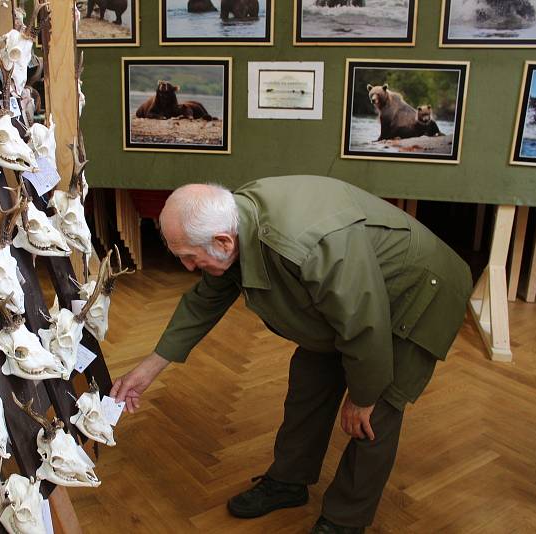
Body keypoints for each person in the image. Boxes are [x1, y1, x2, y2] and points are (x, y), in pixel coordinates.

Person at [111, 175, 473, 534]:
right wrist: (148, 370)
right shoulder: (234, 220)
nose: (188, 269)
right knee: (308, 382)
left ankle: (346, 518)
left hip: (417, 291)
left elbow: (365, 324)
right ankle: (288, 481)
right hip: (351, 298)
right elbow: (204, 301)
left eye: (190, 258)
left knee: (375, 414)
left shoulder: (307, 245)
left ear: (222, 240)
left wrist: (363, 396)